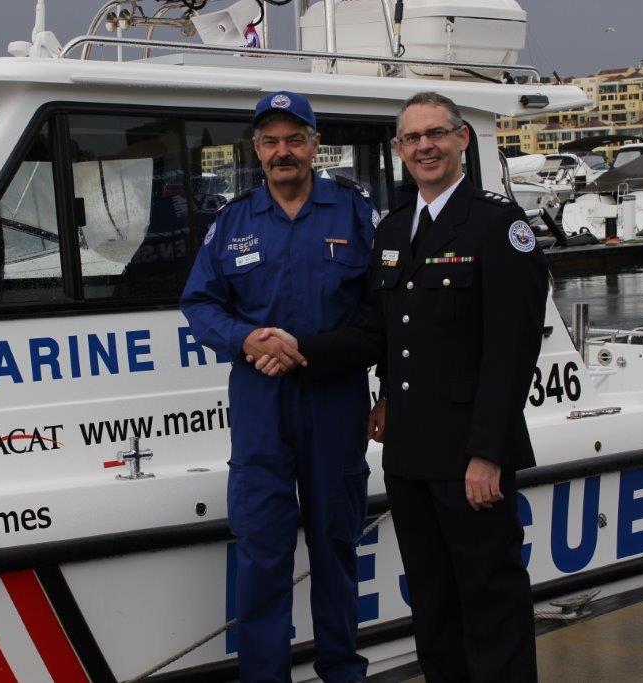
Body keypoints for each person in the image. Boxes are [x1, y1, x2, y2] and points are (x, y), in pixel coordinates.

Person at [254, 91, 547, 681]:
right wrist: (297, 348)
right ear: (398, 150)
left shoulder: (498, 226)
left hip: (470, 456)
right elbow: (377, 333)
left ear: (462, 139)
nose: (425, 147)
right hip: (410, 454)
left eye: (436, 134)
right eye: (412, 139)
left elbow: (513, 352)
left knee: (491, 602)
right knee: (433, 605)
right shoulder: (391, 231)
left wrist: (488, 453)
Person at [180, 91, 379, 682]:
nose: (282, 151)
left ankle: (341, 671)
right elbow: (199, 303)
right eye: (270, 141)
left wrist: (388, 387)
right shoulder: (233, 220)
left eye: (295, 139)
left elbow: (385, 308)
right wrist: (246, 340)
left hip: (335, 399)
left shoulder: (356, 214)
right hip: (260, 405)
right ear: (255, 150)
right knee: (263, 552)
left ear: (316, 146)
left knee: (335, 546)